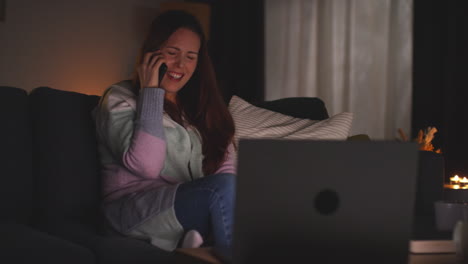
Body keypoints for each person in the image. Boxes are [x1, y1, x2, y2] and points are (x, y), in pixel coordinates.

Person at [93, 10, 237, 252]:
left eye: (191, 57)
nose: (181, 64)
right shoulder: (119, 98)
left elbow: (227, 174)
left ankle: (198, 244)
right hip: (134, 213)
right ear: (151, 53)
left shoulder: (196, 109)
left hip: (186, 208)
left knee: (236, 193)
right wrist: (151, 92)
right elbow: (146, 165)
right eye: (172, 53)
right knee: (222, 189)